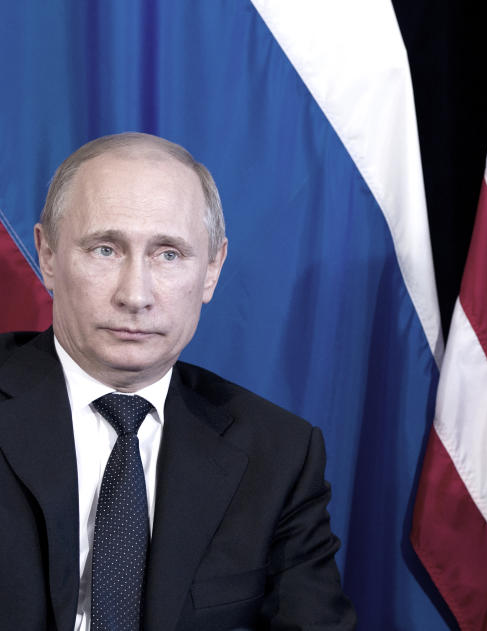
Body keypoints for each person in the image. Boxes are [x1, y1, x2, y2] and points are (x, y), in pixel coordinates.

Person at [0, 132, 356, 630]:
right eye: (105, 249)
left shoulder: (279, 456)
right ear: (49, 255)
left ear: (212, 271)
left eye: (168, 254)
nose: (135, 295)